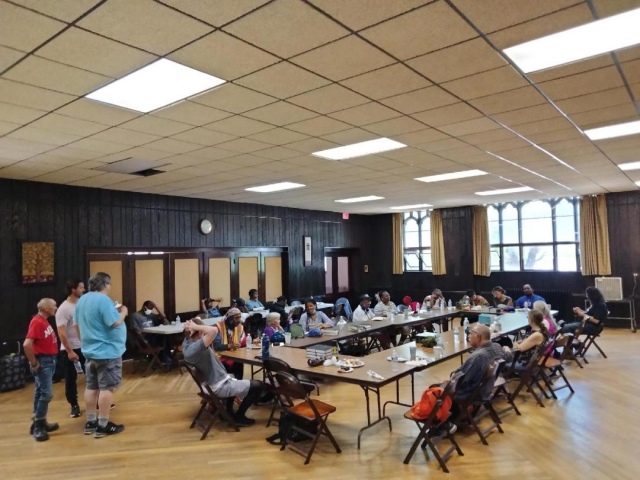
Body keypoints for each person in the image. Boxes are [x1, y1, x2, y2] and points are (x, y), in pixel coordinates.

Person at [183, 318, 264, 427]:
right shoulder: (196, 348)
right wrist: (196, 326)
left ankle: (228, 412)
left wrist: (194, 323)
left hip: (211, 385)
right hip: (218, 387)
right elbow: (214, 330)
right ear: (198, 332)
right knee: (258, 385)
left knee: (232, 375)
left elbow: (199, 328)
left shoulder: (187, 343)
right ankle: (239, 417)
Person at [75, 272, 127, 438]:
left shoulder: (82, 300)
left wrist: (84, 342)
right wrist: (124, 311)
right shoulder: (103, 300)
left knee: (91, 387)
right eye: (109, 284)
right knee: (106, 388)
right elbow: (115, 322)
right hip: (107, 351)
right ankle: (103, 425)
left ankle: (91, 422)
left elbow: (76, 325)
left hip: (90, 351)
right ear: (105, 284)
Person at [452, 324, 512, 409]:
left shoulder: (477, 357)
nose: (468, 336)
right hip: (487, 389)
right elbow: (509, 358)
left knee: (437, 391)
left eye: (470, 333)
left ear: (478, 337)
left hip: (471, 394)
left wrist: (452, 379)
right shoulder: (497, 347)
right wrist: (506, 348)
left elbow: (461, 381)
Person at [24, 298, 59, 442]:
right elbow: (27, 344)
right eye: (54, 306)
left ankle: (40, 421)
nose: (56, 308)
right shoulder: (37, 322)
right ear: (45, 308)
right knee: (46, 394)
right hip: (43, 361)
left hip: (49, 360)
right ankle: (38, 424)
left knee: (40, 392)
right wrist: (33, 363)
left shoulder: (44, 321)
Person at [55, 278, 85, 419]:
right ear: (73, 290)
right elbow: (61, 332)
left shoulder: (82, 304)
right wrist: (69, 351)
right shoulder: (64, 309)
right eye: (81, 287)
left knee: (93, 375)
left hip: (85, 346)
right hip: (71, 348)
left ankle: (98, 401)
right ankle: (74, 405)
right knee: (71, 378)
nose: (84, 290)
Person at [213, 308, 246, 380]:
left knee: (239, 362)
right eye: (236, 318)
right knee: (226, 368)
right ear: (230, 319)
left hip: (234, 356)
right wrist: (230, 346)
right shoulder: (218, 327)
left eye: (239, 317)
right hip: (220, 357)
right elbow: (216, 346)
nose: (239, 320)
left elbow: (244, 343)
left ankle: (239, 383)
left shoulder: (240, 327)